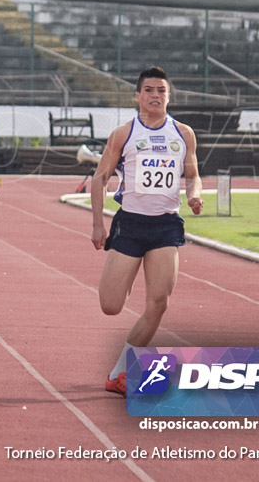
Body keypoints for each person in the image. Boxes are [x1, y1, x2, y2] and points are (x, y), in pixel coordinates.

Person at [89, 66, 203, 396]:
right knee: (111, 305)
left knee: (158, 304)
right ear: (138, 96)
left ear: (169, 96)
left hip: (166, 226)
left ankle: (120, 372)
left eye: (161, 91)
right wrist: (98, 223)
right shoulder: (124, 134)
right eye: (149, 90)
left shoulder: (183, 133)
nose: (155, 96)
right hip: (131, 224)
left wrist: (194, 194)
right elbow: (100, 178)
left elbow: (193, 173)